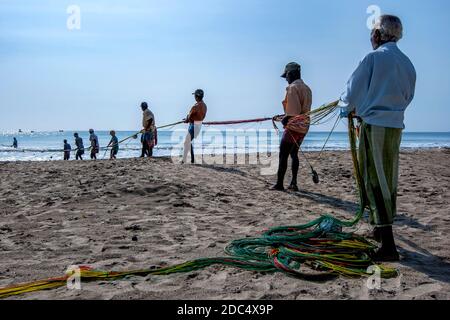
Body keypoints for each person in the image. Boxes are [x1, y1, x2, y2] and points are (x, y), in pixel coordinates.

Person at [339, 15, 416, 262]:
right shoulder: (407, 63)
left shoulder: (372, 58)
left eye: (372, 32)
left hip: (374, 125)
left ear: (377, 35)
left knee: (374, 179)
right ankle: (379, 231)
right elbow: (407, 96)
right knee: (387, 178)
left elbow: (352, 92)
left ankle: (389, 246)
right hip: (395, 126)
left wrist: (346, 108)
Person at [272, 62, 312, 192]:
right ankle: (294, 183)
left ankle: (279, 184)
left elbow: (293, 113)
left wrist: (284, 120)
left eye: (286, 77)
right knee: (294, 153)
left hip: (294, 126)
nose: (286, 80)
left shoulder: (292, 88)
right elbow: (300, 110)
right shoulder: (307, 88)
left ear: (290, 74)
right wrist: (282, 116)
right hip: (304, 126)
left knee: (283, 154)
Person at [182, 89, 207, 164]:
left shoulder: (195, 106)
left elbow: (189, 117)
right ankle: (192, 159)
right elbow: (201, 117)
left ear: (197, 96)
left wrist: (186, 119)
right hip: (198, 126)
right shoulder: (204, 106)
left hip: (193, 126)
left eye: (195, 96)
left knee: (186, 142)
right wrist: (188, 119)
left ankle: (185, 160)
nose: (194, 97)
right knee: (188, 142)